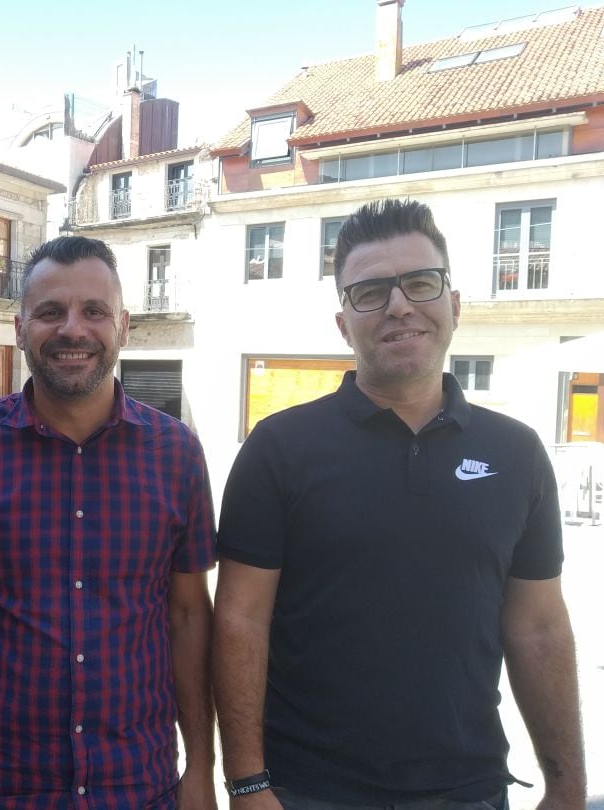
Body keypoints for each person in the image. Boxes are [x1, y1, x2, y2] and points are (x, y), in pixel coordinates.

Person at [213, 198, 586, 810]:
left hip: (468, 790)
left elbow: (540, 627)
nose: (398, 305)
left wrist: (568, 785)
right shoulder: (279, 448)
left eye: (420, 283)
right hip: (306, 790)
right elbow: (239, 622)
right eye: (370, 292)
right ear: (343, 324)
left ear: (455, 304)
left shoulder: (516, 454)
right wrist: (248, 784)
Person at [0, 235, 218, 809]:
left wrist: (201, 769)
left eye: (94, 311)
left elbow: (190, 614)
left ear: (124, 325)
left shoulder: (177, 453)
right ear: (20, 328)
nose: (73, 329)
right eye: (50, 312)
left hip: (137, 787)